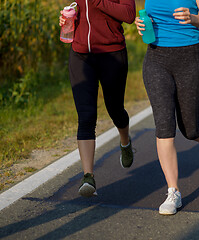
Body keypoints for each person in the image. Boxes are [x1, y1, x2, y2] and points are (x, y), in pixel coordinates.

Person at [135, 0, 199, 215]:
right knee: (164, 124)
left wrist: (194, 18)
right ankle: (173, 192)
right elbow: (147, 15)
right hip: (156, 58)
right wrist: (140, 23)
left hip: (191, 58)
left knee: (189, 129)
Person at [59, 0, 136, 197]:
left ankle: (125, 142)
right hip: (80, 54)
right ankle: (88, 176)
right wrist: (68, 17)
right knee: (86, 116)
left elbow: (128, 15)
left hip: (112, 53)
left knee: (115, 109)